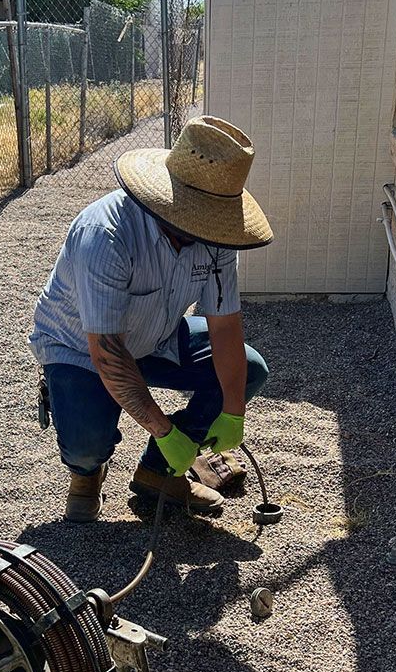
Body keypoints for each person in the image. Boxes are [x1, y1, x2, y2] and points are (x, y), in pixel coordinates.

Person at [29, 115, 273, 522]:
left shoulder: (216, 235)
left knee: (249, 369)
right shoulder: (106, 234)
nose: (206, 228)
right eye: (198, 215)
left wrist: (233, 410)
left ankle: (157, 473)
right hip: (82, 350)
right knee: (86, 444)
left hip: (157, 337)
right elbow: (108, 354)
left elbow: (225, 326)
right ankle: (86, 473)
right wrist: (165, 432)